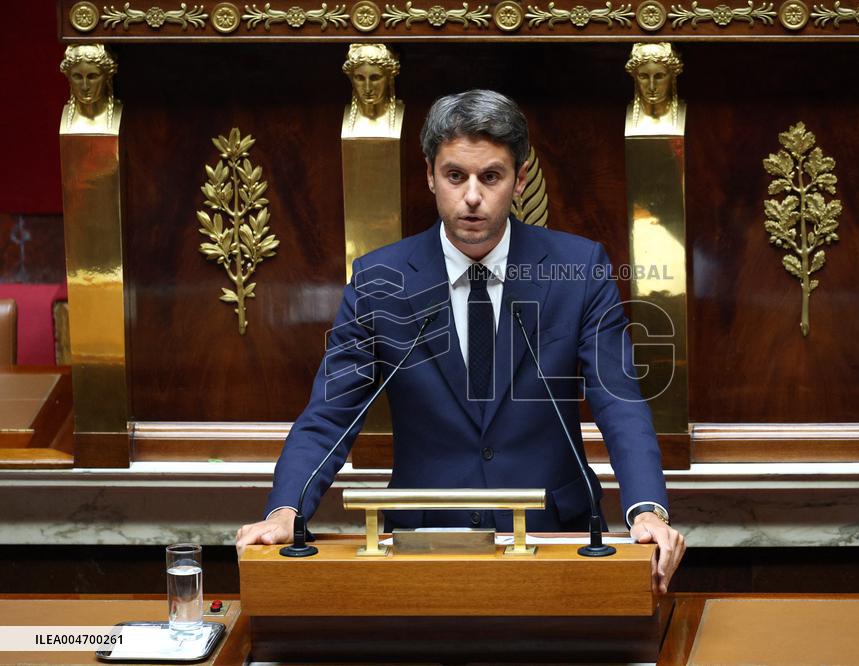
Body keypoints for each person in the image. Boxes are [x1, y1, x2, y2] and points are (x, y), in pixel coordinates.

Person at [237, 89, 685, 592]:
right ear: (430, 175)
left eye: (490, 176)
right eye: (456, 176)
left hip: (553, 536)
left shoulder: (578, 270)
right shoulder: (378, 280)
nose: (472, 196)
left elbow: (618, 399)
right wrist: (285, 510)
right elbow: (330, 415)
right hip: (422, 541)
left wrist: (646, 508)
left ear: (518, 181)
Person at [341, 43, 403, 137]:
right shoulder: (347, 118)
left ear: (390, 77)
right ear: (351, 78)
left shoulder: (399, 114)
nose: (367, 88)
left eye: (375, 78)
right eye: (360, 78)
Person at [624, 42, 685, 137]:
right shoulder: (627, 114)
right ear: (635, 76)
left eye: (659, 76)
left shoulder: (686, 113)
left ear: (673, 75)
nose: (652, 87)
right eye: (643, 77)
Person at [59, 44, 122, 134]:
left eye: (92, 76)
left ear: (107, 76)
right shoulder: (67, 119)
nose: (85, 86)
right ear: (69, 77)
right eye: (78, 77)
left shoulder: (118, 113)